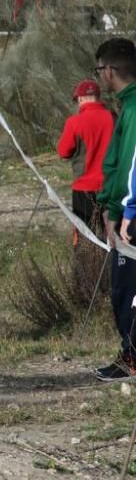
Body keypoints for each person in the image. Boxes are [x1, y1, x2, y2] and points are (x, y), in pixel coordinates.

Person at [97, 39, 136, 380]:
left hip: (130, 215)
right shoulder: (128, 106)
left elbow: (127, 166)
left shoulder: (134, 109)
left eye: (99, 70)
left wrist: (116, 210)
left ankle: (131, 356)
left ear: (108, 71)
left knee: (126, 289)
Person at [57, 80, 113, 233]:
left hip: (84, 188)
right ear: (99, 97)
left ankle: (92, 257)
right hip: (112, 186)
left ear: (80, 99)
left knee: (86, 237)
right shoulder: (113, 118)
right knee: (116, 237)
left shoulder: (74, 122)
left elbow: (63, 152)